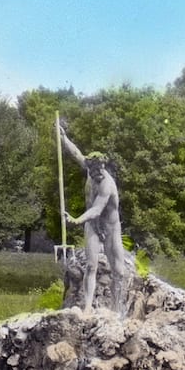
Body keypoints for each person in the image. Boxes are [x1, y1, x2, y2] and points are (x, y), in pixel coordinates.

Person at [59, 127, 126, 315]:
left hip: (111, 227)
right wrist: (64, 138)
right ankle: (88, 307)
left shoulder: (107, 184)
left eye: (99, 171)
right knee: (91, 265)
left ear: (103, 167)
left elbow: (97, 210)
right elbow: (76, 153)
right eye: (93, 171)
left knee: (119, 271)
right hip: (93, 226)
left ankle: (117, 308)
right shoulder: (90, 171)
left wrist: (76, 219)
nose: (97, 175)